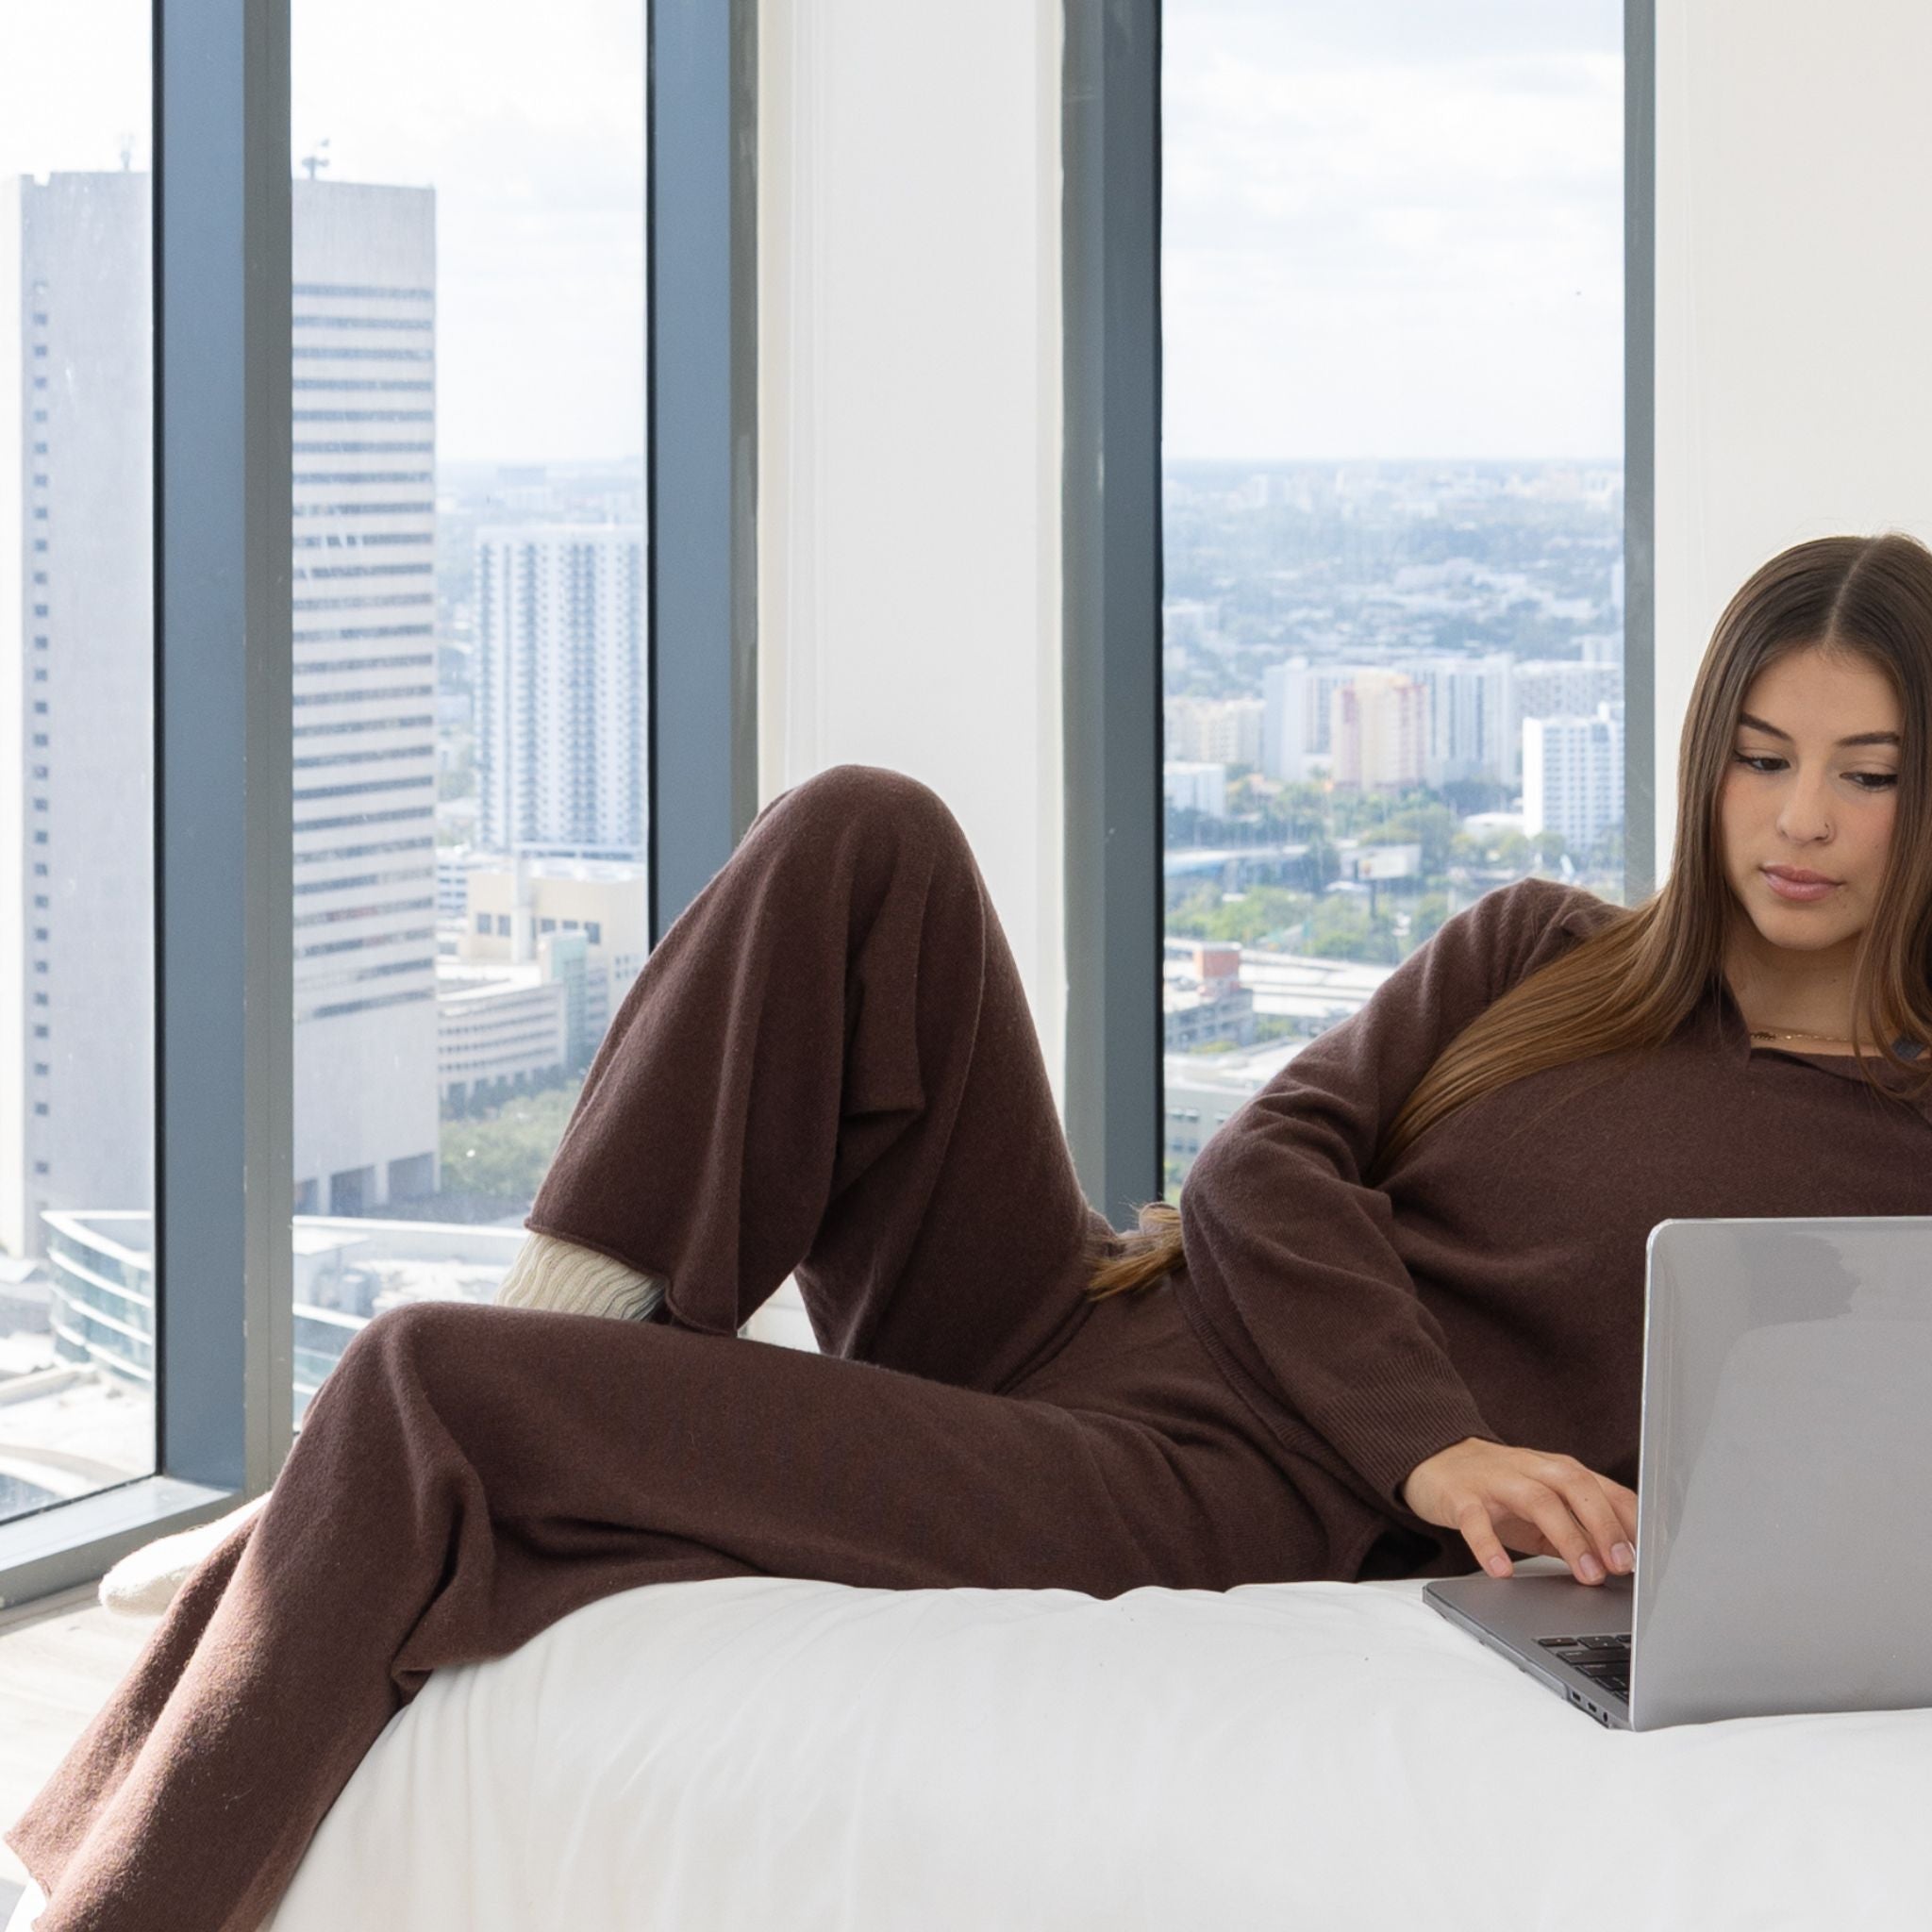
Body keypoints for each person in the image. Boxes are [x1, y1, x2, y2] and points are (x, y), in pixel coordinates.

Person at [8, 530, 1932, 1930]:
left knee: (433, 1382)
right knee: (863, 833)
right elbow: (1270, 1159)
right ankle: (475, 1409)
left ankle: (153, 1834)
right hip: (1098, 1293)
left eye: (1866, 774)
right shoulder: (1543, 949)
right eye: (1761, 754)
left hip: (1194, 1477)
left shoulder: (1897, 1156)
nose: (1800, 822)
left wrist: (1451, 1475)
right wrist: (1435, 1426)